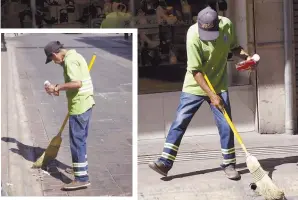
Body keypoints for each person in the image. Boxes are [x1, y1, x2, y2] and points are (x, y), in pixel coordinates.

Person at [148, 6, 256, 180]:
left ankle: (229, 163)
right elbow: (196, 71)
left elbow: (235, 47)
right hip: (195, 85)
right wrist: (212, 96)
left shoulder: (227, 25)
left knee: (226, 125)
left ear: (218, 25)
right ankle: (164, 163)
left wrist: (247, 58)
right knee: (180, 121)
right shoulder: (192, 35)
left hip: (218, 83)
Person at [43, 41, 95, 189]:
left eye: (53, 59)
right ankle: (80, 169)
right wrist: (58, 89)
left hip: (79, 106)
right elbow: (75, 83)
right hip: (86, 103)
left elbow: (77, 83)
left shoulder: (69, 61)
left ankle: (81, 178)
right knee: (81, 141)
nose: (54, 62)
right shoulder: (75, 56)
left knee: (77, 142)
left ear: (54, 54)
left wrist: (57, 86)